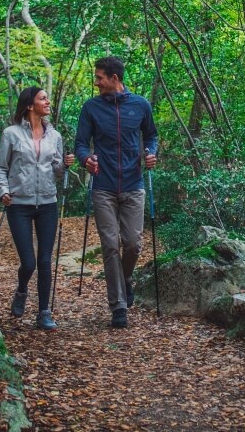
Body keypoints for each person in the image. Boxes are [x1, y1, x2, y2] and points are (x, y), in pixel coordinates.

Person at [75, 56, 158, 328]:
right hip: (104, 187)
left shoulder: (140, 105)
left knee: (134, 244)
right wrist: (86, 158)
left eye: (99, 77)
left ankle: (125, 279)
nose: (96, 82)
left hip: (134, 185)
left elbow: (152, 136)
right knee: (110, 246)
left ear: (114, 78)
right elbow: (80, 144)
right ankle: (118, 305)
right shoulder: (91, 108)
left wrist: (151, 153)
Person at [0, 86, 75, 330]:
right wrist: (4, 191)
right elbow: (0, 168)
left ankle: (44, 312)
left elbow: (57, 172)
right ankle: (21, 291)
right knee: (29, 262)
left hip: (48, 203)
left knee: (45, 260)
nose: (48, 101)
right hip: (19, 204)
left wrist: (65, 164)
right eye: (43, 98)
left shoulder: (55, 136)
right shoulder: (11, 134)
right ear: (30, 105)